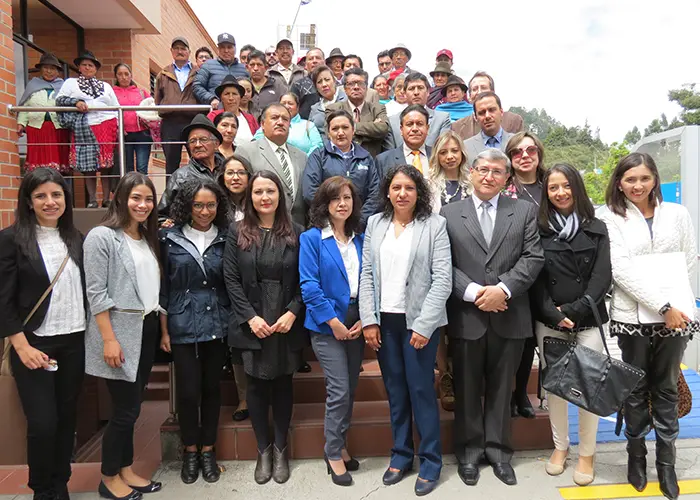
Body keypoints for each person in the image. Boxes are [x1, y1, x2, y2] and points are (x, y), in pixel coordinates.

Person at [441, 149, 544, 488]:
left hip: (510, 313)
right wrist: (473, 292)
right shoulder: (449, 213)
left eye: (497, 172)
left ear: (506, 178)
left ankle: (499, 453)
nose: (488, 176)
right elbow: (443, 262)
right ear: (471, 171)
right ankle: (469, 453)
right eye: (483, 169)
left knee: (502, 389)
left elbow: (533, 257)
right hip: (467, 313)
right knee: (467, 388)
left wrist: (503, 289)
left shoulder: (525, 211)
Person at [601, 153, 698, 500]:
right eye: (630, 180)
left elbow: (688, 258)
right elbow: (620, 269)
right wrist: (662, 306)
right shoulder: (609, 216)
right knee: (636, 388)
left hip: (676, 319)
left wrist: (677, 307)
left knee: (668, 387)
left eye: (644, 178)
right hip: (632, 318)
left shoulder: (678, 213)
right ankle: (636, 456)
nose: (637, 186)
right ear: (619, 183)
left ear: (654, 178)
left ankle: (667, 463)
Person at [359, 165, 451, 496]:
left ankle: (430, 461)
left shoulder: (434, 225)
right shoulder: (375, 223)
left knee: (421, 391)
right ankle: (401, 455)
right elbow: (367, 273)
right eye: (396, 187)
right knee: (396, 391)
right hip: (386, 321)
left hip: (419, 324)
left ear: (418, 193)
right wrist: (368, 319)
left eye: (409, 188)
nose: (402, 193)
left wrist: (425, 325)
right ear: (387, 191)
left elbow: (443, 279)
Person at [0, 168, 85, 500]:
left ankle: (60, 483)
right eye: (41, 196)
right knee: (42, 423)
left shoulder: (75, 238)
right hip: (34, 345)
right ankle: (42, 489)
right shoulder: (10, 239)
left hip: (74, 342)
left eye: (56, 195)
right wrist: (20, 345)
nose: (50, 202)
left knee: (66, 419)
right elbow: (3, 299)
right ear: (29, 201)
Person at [529, 163, 611, 486]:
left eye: (566, 186)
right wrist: (553, 314)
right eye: (553, 188)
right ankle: (560, 447)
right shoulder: (539, 229)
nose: (560, 193)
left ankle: (587, 453)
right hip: (550, 323)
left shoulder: (596, 228)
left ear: (576, 187)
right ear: (546, 194)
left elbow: (601, 278)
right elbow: (534, 278)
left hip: (588, 320)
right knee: (557, 390)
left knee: (587, 390)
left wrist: (574, 311)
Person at [223, 170, 307, 485]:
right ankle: (263, 450)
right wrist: (249, 317)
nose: (264, 197)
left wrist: (292, 312)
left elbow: (305, 278)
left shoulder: (297, 232)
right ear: (251, 197)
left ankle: (282, 448)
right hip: (252, 322)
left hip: (285, 321)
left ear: (279, 195)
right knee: (256, 388)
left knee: (283, 385)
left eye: (270, 191)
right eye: (258, 192)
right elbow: (230, 278)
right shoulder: (236, 232)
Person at [83, 172, 163, 500]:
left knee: (133, 407)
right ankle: (108, 477)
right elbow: (96, 292)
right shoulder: (102, 237)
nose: (142, 205)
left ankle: (126, 469)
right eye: (136, 198)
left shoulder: (147, 237)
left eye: (148, 199)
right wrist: (109, 339)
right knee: (124, 410)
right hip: (118, 333)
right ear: (119, 197)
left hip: (147, 327)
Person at [159, 180, 231, 485]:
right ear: (187, 205)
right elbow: (163, 285)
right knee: (188, 393)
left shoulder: (227, 237)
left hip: (217, 322)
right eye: (198, 205)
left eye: (210, 205)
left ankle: (208, 450)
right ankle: (190, 450)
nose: (204, 211)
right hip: (182, 322)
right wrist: (164, 331)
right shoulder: (169, 238)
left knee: (212, 389)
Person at [299, 177, 365, 486]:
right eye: (335, 198)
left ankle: (340, 443)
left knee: (350, 389)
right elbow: (309, 286)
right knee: (338, 389)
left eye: (347, 198)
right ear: (324, 205)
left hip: (357, 320)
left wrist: (366, 318)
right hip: (327, 325)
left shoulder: (360, 238)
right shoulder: (312, 239)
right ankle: (333, 452)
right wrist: (333, 322)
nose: (342, 203)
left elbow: (370, 281)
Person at [425, 131, 472, 412]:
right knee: (440, 321)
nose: (450, 156)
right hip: (440, 257)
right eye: (444, 152)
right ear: (437, 156)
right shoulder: (430, 185)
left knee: (462, 319)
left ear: (462, 153)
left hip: (469, 258)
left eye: (455, 150)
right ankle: (444, 375)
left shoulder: (472, 182)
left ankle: (464, 374)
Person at [501, 131, 547, 420]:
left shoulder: (553, 186)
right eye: (517, 152)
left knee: (532, 339)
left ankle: (521, 392)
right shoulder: (504, 190)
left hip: (548, 275)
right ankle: (507, 394)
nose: (525, 156)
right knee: (514, 339)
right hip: (515, 273)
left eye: (530, 150)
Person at [55, 50, 118, 208]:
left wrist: (118, 125)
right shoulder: (71, 83)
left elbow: (116, 107)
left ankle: (106, 199)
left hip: (106, 124)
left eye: (91, 65)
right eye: (84, 65)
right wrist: (76, 102)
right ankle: (91, 199)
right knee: (88, 165)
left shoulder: (105, 86)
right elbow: (60, 100)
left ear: (96, 69)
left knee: (106, 165)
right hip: (85, 125)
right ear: (79, 67)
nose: (88, 68)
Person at [303, 110, 381, 227]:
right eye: (335, 129)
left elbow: (375, 194)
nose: (340, 132)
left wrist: (359, 219)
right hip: (326, 224)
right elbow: (310, 192)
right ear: (328, 133)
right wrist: (333, 216)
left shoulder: (366, 157)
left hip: (359, 226)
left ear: (353, 130)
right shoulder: (318, 156)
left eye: (345, 127)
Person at [236, 104, 308, 226]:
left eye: (285, 119)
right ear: (262, 124)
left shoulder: (302, 156)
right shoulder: (246, 151)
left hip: (298, 228)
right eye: (275, 118)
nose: (280, 122)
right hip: (260, 228)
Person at [158, 115, 224, 219]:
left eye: (203, 139)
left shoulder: (229, 171)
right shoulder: (180, 176)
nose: (197, 145)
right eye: (192, 141)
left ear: (216, 144)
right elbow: (161, 215)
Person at [16, 53, 70, 174]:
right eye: (46, 68)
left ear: (57, 71)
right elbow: (25, 106)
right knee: (38, 166)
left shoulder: (64, 87)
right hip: (36, 129)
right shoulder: (33, 85)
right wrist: (21, 124)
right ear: (41, 69)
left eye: (52, 68)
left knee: (57, 166)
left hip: (58, 129)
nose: (49, 71)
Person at [154, 37, 200, 175]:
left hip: (192, 121)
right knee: (171, 161)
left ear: (189, 52)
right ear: (171, 51)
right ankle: (171, 195)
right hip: (170, 122)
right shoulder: (163, 73)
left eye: (183, 48)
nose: (180, 51)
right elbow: (158, 98)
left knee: (197, 158)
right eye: (176, 48)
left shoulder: (199, 72)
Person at [326, 68, 388, 158]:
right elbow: (331, 136)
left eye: (360, 83)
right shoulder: (333, 109)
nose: (356, 87)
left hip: (371, 162)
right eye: (351, 84)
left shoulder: (377, 108)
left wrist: (353, 127)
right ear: (345, 89)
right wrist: (372, 130)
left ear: (366, 88)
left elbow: (383, 129)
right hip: (341, 161)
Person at [385, 72, 450, 150]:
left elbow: (443, 151)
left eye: (420, 88)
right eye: (411, 89)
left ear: (428, 92)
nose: (416, 93)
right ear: (405, 93)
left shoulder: (442, 119)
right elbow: (389, 156)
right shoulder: (392, 122)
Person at [452, 71, 524, 140]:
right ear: (470, 96)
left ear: (493, 92)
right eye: (475, 89)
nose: (479, 92)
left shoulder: (513, 121)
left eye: (483, 87)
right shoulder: (457, 127)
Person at [113, 63, 153, 175]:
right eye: (120, 74)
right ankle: (130, 192)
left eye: (126, 74)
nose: (124, 77)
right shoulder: (112, 93)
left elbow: (152, 107)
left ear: (131, 75)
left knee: (142, 167)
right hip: (124, 135)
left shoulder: (141, 92)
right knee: (128, 169)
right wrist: (117, 127)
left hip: (143, 133)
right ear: (116, 76)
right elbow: (108, 113)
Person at [253, 92, 323, 155]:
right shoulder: (270, 123)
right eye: (283, 103)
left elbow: (318, 145)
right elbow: (256, 141)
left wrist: (304, 160)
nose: (286, 106)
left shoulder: (308, 125)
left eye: (290, 103)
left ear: (297, 107)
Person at [193, 32, 249, 108]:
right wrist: (211, 99)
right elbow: (197, 86)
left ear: (235, 49)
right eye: (222, 47)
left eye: (229, 47)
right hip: (216, 111)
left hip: (239, 111)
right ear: (218, 49)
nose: (226, 50)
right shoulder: (208, 65)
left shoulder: (244, 69)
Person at [376, 105, 432, 178]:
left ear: (427, 128)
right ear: (401, 129)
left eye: (419, 124)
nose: (415, 129)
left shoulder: (437, 156)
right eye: (409, 124)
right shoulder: (383, 160)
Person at [463, 92, 514, 165]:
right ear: (475, 117)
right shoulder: (465, 147)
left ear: (501, 112)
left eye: (492, 110)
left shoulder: (516, 142)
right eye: (481, 113)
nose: (487, 116)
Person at [207, 75, 258, 147]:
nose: (231, 98)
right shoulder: (213, 116)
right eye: (227, 94)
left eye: (234, 94)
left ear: (240, 97)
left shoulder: (250, 118)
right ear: (221, 98)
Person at [246, 50, 288, 120]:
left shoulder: (277, 85)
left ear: (266, 67)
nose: (255, 68)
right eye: (252, 65)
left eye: (259, 65)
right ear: (247, 67)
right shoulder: (243, 86)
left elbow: (286, 106)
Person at [308, 65, 347, 134]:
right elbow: (310, 132)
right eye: (319, 82)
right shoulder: (314, 108)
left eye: (327, 80)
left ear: (334, 81)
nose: (324, 84)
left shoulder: (347, 99)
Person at [290, 47, 325, 119]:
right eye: (311, 59)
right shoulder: (298, 85)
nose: (314, 61)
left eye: (318, 58)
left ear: (324, 62)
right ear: (305, 65)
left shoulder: (333, 84)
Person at [218, 154, 252, 223]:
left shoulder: (256, 204)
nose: (236, 178)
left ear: (249, 176)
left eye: (241, 173)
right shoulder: (217, 204)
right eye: (230, 173)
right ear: (222, 177)